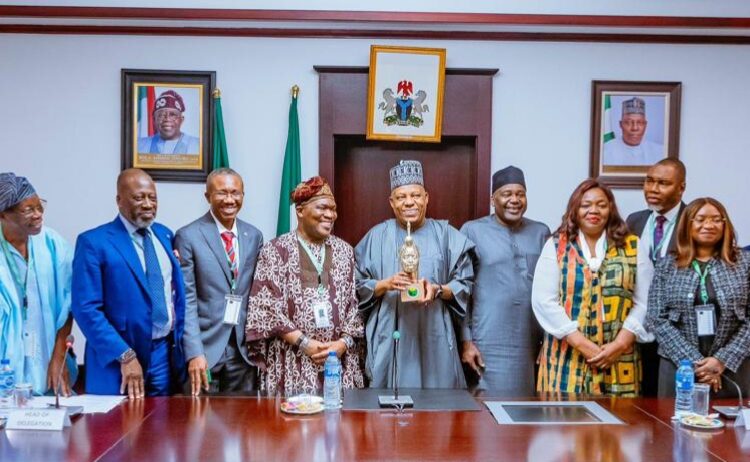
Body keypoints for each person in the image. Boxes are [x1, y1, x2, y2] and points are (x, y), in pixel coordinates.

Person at [355, 160, 476, 389]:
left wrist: (438, 290)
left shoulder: (447, 235)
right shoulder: (376, 237)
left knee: (437, 407)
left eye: (416, 195)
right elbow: (355, 285)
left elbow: (465, 284)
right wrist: (384, 284)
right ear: (392, 202)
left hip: (434, 333)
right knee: (388, 408)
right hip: (390, 332)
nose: (409, 202)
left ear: (426, 198)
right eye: (401, 197)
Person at [72, 169, 187, 398]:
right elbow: (86, 309)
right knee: (117, 429)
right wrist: (125, 355)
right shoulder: (94, 242)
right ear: (119, 200)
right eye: (138, 197)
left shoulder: (165, 235)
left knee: (160, 428)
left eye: (152, 197)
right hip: (118, 358)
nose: (147, 204)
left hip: (163, 353)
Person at [532, 179, 653, 396]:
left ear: (611, 209)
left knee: (619, 424)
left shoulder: (632, 246)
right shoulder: (556, 246)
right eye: (586, 205)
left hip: (619, 357)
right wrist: (583, 345)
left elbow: (646, 301)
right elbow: (544, 301)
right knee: (565, 424)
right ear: (575, 209)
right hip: (566, 356)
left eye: (601, 205)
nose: (593, 211)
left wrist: (619, 344)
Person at [245, 176, 363, 396]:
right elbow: (265, 308)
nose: (330, 215)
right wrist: (304, 343)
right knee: (293, 427)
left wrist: (342, 343)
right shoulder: (276, 250)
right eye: (323, 208)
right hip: (291, 361)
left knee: (338, 426)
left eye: (334, 209)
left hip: (337, 363)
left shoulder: (345, 251)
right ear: (300, 211)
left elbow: (353, 306)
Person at [646, 198, 750, 398]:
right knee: (673, 426)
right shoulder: (667, 265)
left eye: (716, 219)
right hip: (678, 367)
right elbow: (656, 318)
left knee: (731, 427)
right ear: (687, 225)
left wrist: (721, 360)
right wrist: (695, 364)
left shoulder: (744, 263)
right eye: (700, 219)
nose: (708, 225)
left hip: (734, 367)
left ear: (725, 224)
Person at [459, 166, 549, 394]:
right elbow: (462, 291)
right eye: (507, 194)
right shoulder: (472, 231)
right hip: (486, 339)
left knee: (526, 411)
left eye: (520, 194)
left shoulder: (541, 232)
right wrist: (466, 341)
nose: (514, 200)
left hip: (530, 341)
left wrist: (549, 342)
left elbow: (552, 291)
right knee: (488, 413)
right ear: (493, 199)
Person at [175, 168, 263, 396]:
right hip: (205, 349)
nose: (229, 199)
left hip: (243, 352)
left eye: (236, 193)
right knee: (201, 424)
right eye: (222, 193)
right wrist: (194, 352)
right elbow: (187, 299)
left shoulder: (253, 236)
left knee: (241, 423)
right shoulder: (188, 235)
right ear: (208, 196)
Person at [0, 173, 76, 396]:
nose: (38, 214)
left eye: (40, 206)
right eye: (28, 210)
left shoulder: (53, 244)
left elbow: (69, 305)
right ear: (3, 214)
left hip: (49, 359)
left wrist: (59, 357)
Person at [626, 158, 687, 396]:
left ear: (681, 187)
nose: (653, 189)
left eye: (663, 183)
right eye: (649, 181)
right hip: (638, 326)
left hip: (676, 329)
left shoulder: (692, 221)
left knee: (666, 400)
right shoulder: (635, 220)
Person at [603, 97, 664, 166]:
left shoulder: (660, 152)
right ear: (620, 124)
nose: (635, 128)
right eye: (628, 122)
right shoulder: (605, 151)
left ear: (645, 125)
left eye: (640, 122)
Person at [137, 90, 200, 155]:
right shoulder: (138, 146)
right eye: (161, 115)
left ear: (181, 120)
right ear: (154, 119)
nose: (167, 119)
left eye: (172, 114)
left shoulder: (198, 145)